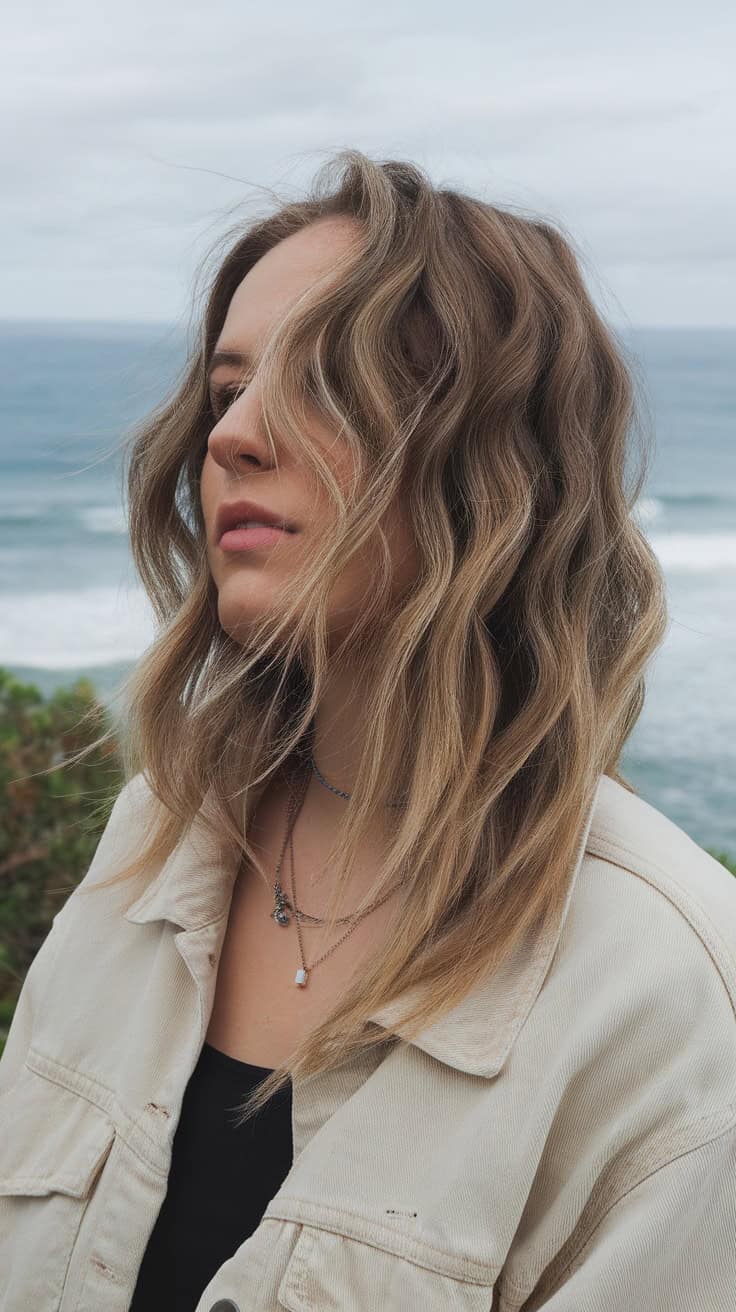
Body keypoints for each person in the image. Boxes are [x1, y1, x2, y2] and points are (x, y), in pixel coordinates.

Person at [1, 150, 734, 1312]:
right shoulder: (157, 835)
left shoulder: (660, 989)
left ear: (496, 465)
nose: (232, 435)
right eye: (229, 386)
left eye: (318, 383)